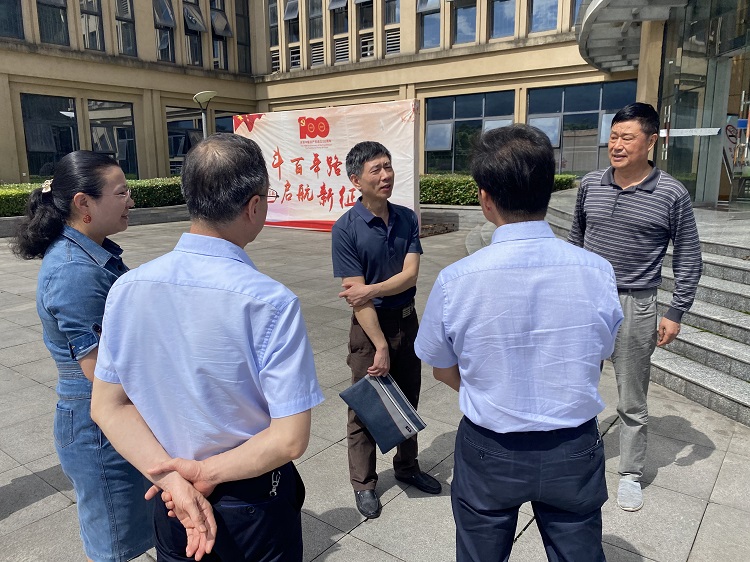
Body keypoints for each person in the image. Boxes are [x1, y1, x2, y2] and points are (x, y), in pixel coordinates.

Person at [90, 133, 324, 561]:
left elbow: (108, 406)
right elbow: (290, 438)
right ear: (254, 206)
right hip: (251, 500)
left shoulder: (127, 288)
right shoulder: (270, 302)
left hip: (170, 497)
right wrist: (202, 472)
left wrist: (174, 481)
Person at [415, 124, 624, 561]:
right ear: (549, 189)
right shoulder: (597, 271)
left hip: (490, 446)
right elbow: (601, 353)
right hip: (573, 445)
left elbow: (440, 367)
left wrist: (490, 390)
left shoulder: (456, 280)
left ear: (485, 198)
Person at [12, 151, 154, 562]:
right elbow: (101, 373)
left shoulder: (91, 253)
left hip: (106, 417)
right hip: (100, 429)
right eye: (121, 192)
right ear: (83, 202)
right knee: (113, 545)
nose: (130, 200)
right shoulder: (75, 271)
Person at [568, 102, 702, 512]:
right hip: (588, 300)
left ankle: (630, 473)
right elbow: (575, 241)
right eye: (613, 137)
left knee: (631, 396)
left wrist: (676, 311)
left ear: (651, 142)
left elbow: (689, 255)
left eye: (627, 137)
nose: (617, 145)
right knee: (577, 385)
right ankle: (575, 455)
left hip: (636, 303)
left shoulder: (671, 193)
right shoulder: (591, 184)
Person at [331, 141, 441, 519]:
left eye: (388, 167)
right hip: (369, 328)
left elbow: (410, 275)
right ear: (356, 180)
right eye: (376, 169)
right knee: (366, 407)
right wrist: (379, 344)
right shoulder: (346, 229)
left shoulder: (407, 218)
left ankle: (407, 467)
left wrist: (372, 288)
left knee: (408, 399)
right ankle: (364, 483)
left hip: (407, 322)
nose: (386, 175)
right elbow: (356, 298)